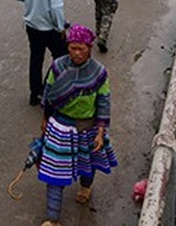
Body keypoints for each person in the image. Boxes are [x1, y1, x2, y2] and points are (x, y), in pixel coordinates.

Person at [37, 24, 118, 226]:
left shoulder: (99, 73)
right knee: (55, 173)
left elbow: (103, 101)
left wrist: (100, 132)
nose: (77, 53)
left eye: (81, 49)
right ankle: (53, 219)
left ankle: (86, 187)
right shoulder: (58, 66)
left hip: (87, 127)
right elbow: (49, 95)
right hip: (60, 126)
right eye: (73, 48)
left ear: (89, 48)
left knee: (87, 164)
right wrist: (45, 119)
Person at [16, 0, 68, 107]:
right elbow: (57, 8)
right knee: (61, 57)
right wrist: (60, 27)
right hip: (50, 27)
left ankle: (34, 92)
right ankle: (47, 88)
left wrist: (33, 0)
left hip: (32, 25)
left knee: (36, 58)